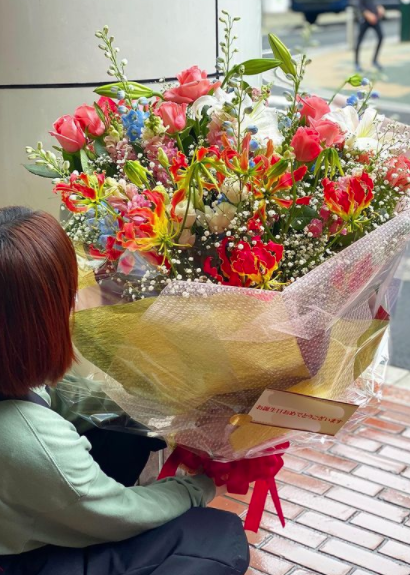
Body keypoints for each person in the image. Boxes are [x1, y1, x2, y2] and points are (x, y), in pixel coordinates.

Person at [0, 206, 250, 575]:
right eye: (68, 293)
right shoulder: (26, 438)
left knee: (127, 433)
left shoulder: (9, 362)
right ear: (36, 317)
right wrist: (203, 484)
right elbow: (120, 513)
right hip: (17, 558)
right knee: (214, 537)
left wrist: (177, 408)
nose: (75, 304)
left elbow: (62, 395)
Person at [355, 0, 386, 72]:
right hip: (364, 19)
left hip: (375, 18)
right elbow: (358, 4)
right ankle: (356, 63)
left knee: (381, 37)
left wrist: (380, 7)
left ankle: (374, 60)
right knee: (359, 41)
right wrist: (366, 14)